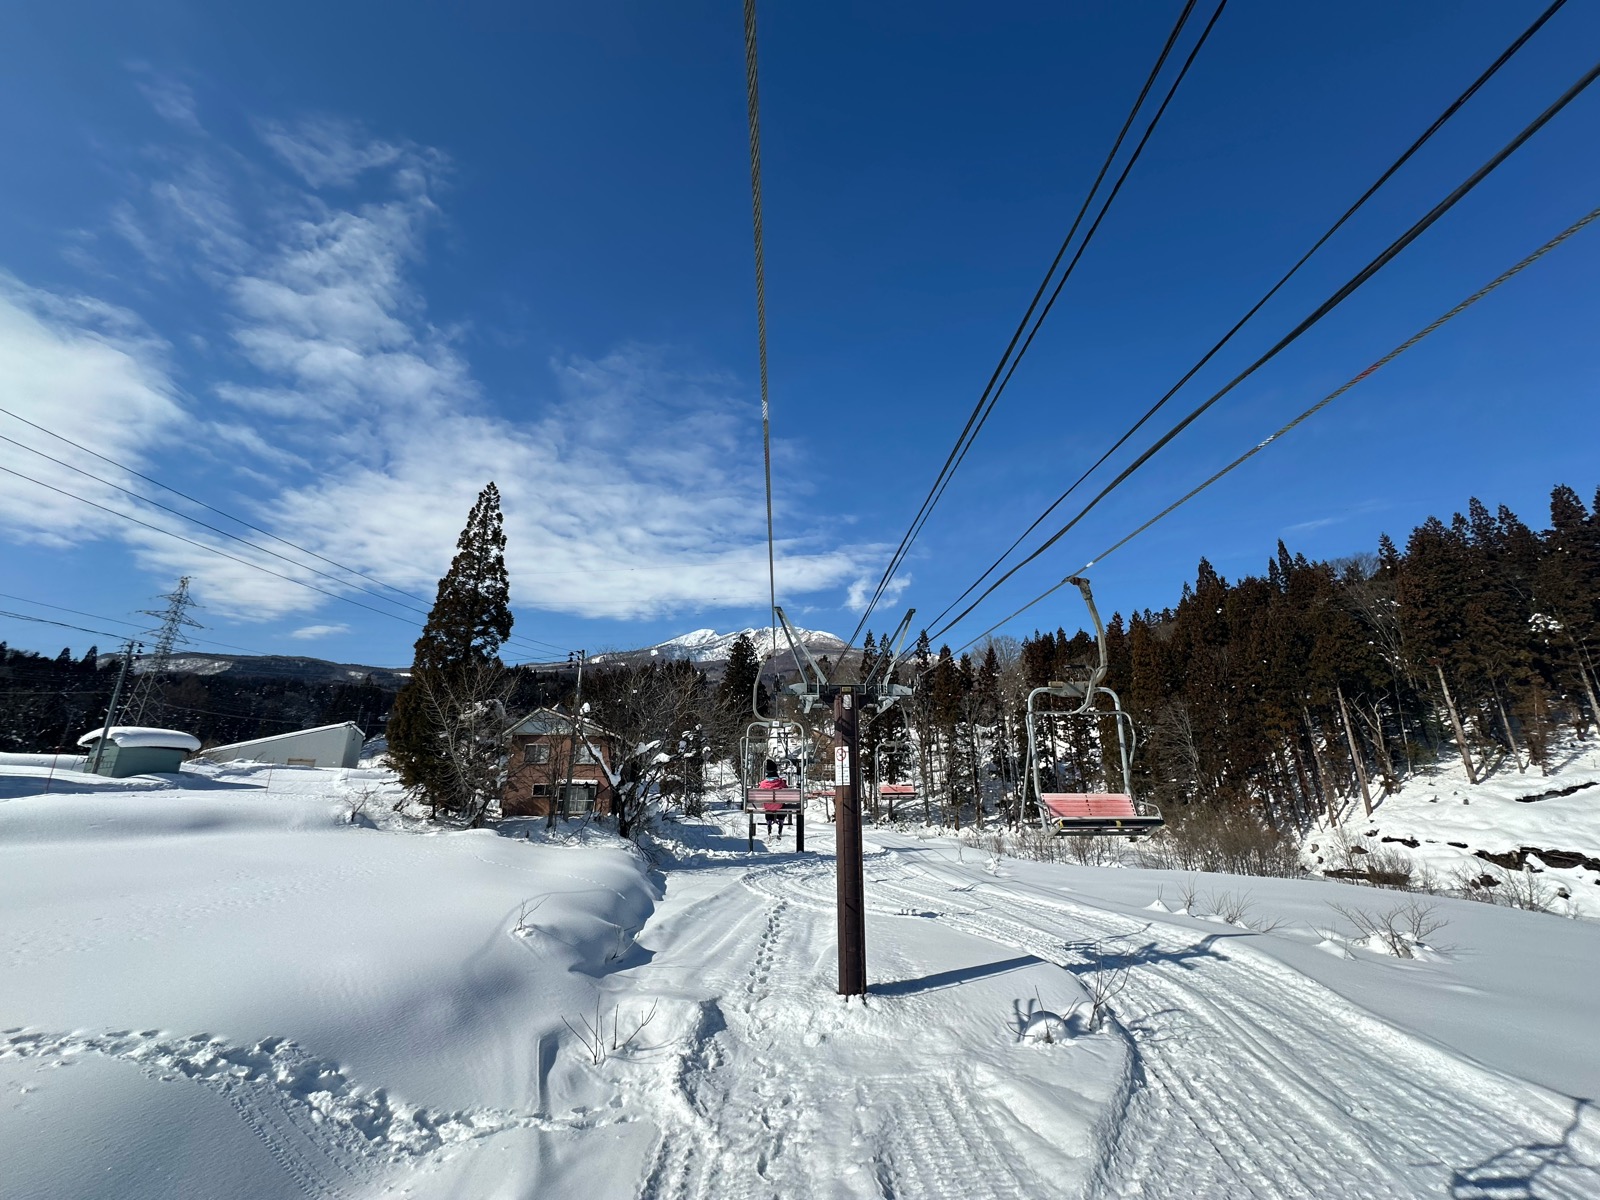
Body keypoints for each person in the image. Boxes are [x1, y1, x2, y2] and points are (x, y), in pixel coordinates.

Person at [757, 761, 788, 837]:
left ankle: (769, 821)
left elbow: (759, 793)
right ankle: (781, 821)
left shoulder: (763, 783)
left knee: (768, 805)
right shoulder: (780, 782)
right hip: (779, 806)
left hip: (767, 806)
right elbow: (786, 791)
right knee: (782, 805)